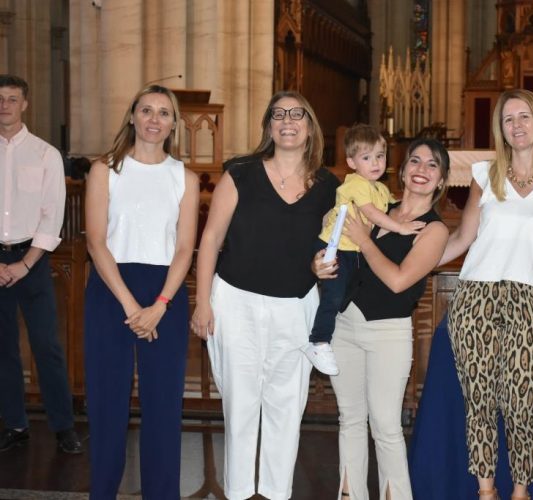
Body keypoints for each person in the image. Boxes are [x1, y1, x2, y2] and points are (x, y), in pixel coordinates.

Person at [190, 91, 338, 500]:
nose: (288, 121)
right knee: (240, 405)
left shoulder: (328, 186)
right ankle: (238, 493)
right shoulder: (241, 173)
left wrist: (321, 265)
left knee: (286, 409)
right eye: (279, 114)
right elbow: (211, 238)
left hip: (296, 305)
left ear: (310, 127)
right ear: (269, 126)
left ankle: (276, 493)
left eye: (297, 114)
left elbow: (332, 246)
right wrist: (202, 302)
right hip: (236, 302)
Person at [438, 88, 533, 500]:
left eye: (524, 116)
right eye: (508, 119)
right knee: (478, 399)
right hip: (477, 295)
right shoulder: (485, 175)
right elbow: (463, 238)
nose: (516, 125)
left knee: (520, 402)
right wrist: (409, 265)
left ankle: (519, 491)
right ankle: (486, 491)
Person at [315, 138, 451, 500]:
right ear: (402, 171)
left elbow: (398, 281)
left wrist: (364, 239)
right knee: (350, 419)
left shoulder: (434, 229)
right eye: (415, 161)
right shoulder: (376, 206)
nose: (421, 170)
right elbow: (336, 239)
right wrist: (320, 262)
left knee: (386, 426)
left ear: (441, 180)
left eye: (432, 165)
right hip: (345, 323)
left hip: (387, 332)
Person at [84, 84, 199, 499]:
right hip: (111, 289)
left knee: (164, 405)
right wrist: (133, 306)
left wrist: (160, 305)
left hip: (165, 292)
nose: (154, 119)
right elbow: (96, 242)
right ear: (132, 116)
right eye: (147, 110)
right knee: (107, 403)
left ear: (174, 124)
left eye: (164, 113)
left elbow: (185, 248)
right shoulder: (104, 170)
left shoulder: (185, 177)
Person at [0, 74, 82, 455]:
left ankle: (64, 426)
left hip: (31, 260)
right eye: (0, 99)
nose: (4, 105)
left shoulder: (45, 154)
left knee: (46, 346)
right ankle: (15, 424)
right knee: (3, 348)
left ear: (25, 105)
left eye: (12, 99)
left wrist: (25, 264)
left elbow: (52, 217)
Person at [305, 124, 425, 376]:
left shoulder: (380, 188)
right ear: (351, 162)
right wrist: (401, 227)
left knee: (346, 296)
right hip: (335, 247)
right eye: (366, 157)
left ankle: (333, 335)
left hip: (353, 251)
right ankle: (318, 341)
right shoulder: (355, 184)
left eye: (380, 156)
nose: (375, 163)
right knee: (334, 296)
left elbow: (391, 208)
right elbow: (372, 214)